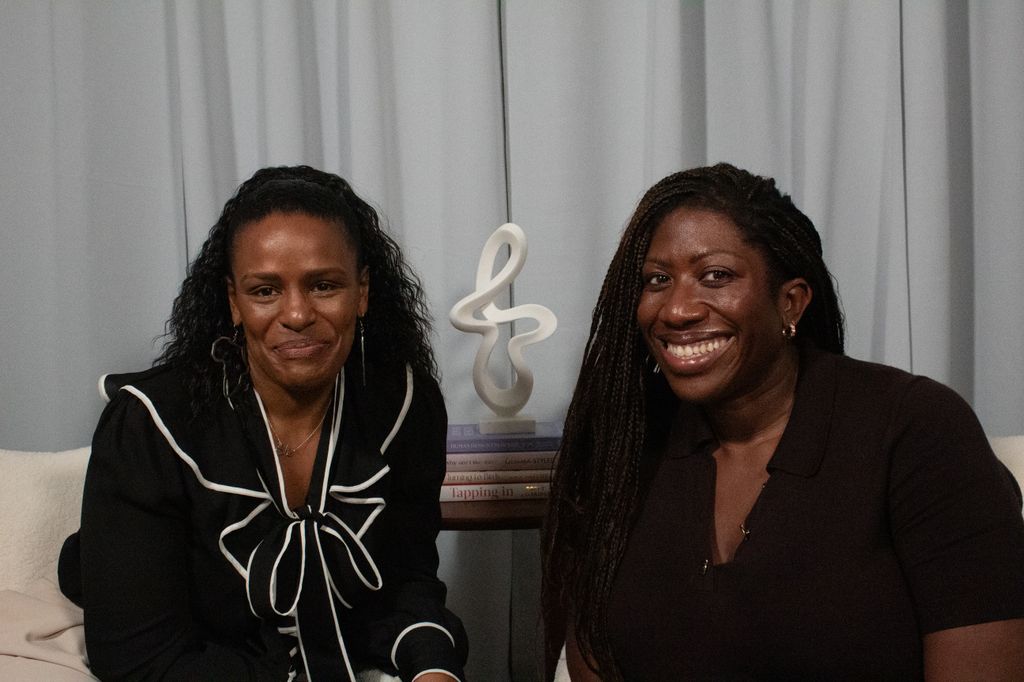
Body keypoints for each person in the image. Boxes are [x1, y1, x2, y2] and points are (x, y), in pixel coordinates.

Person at [541, 163, 1024, 680]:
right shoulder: (623, 440)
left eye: (716, 276)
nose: (677, 310)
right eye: (657, 280)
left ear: (790, 301)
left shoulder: (914, 430)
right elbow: (592, 647)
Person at [59, 166, 467, 681]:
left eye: (324, 285)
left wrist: (433, 668)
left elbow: (407, 578)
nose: (297, 314)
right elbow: (139, 660)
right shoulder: (149, 426)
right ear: (234, 302)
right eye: (265, 291)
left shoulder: (404, 404)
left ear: (361, 292)